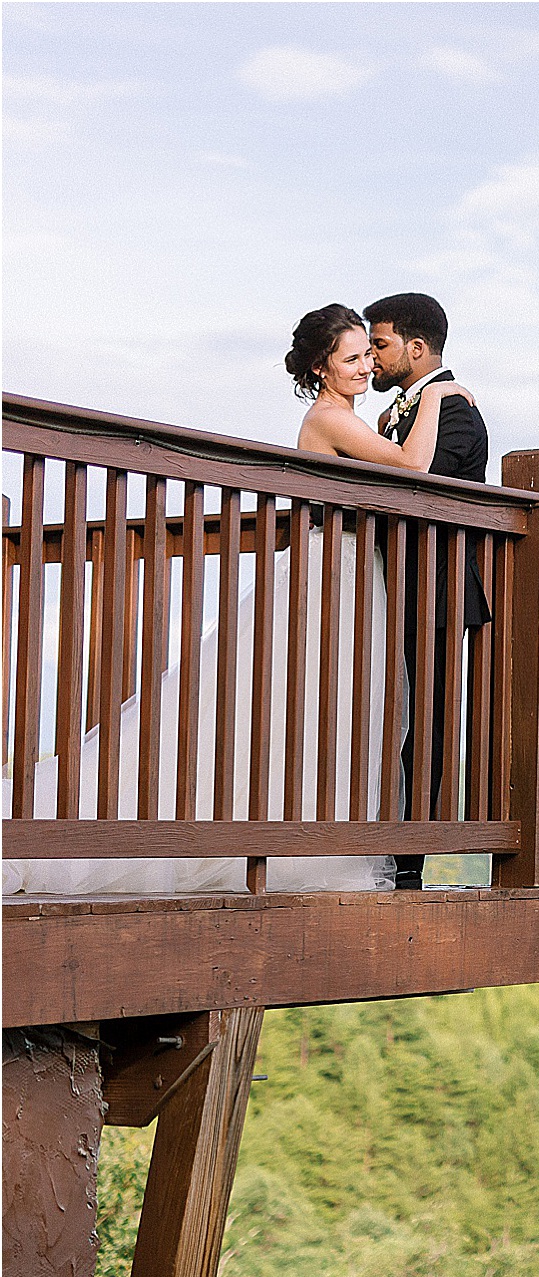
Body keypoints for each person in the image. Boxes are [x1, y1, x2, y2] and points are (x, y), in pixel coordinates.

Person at [0, 304, 461, 895]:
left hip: (351, 576)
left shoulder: (349, 416)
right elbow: (412, 465)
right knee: (284, 699)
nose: (367, 366)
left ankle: (310, 835)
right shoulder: (329, 418)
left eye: (368, 354)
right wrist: (439, 398)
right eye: (352, 358)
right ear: (323, 368)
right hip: (333, 573)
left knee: (328, 703)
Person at [362, 293, 493, 889]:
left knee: (429, 720)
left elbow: (412, 487)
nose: (371, 355)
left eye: (380, 344)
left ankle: (413, 857)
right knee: (382, 715)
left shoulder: (459, 413)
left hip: (435, 589)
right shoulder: (398, 414)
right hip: (388, 586)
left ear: (417, 348)